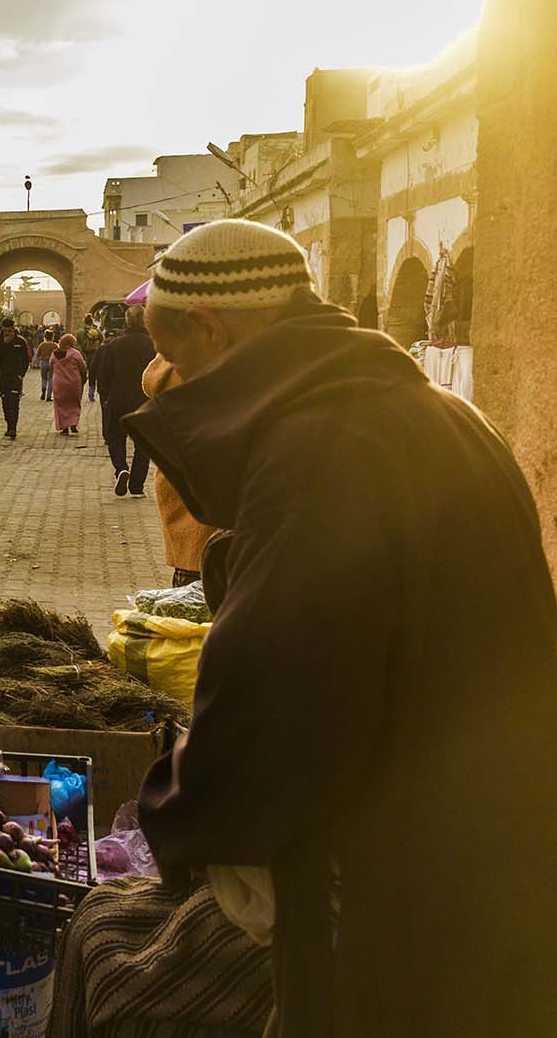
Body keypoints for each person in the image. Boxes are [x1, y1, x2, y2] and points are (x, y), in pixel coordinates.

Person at [119, 217, 557, 1035]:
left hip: (402, 874)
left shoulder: (321, 449)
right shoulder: (430, 411)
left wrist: (173, 812)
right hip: (493, 835)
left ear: (211, 330)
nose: (172, 381)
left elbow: (274, 698)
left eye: (177, 359)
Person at [141, 353, 217, 584]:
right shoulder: (219, 358)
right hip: (213, 477)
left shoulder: (169, 361)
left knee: (187, 578)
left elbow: (149, 381)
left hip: (177, 474)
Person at [90, 304, 157, 496]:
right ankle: (137, 487)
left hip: (119, 400)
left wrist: (106, 396)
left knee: (114, 437)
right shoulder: (154, 345)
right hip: (145, 401)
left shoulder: (114, 345)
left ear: (127, 321)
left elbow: (104, 375)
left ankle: (121, 468)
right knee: (143, 445)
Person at [0, 317, 31, 440]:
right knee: (5, 402)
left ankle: (13, 428)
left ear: (13, 329)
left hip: (15, 377)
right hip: (3, 377)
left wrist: (21, 374)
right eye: (5, 330)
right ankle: (8, 424)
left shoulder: (20, 341)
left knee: (14, 402)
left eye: (9, 330)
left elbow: (25, 359)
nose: (7, 332)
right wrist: (5, 344)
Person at [48, 332, 86, 435]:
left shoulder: (54, 354)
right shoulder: (75, 353)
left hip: (59, 383)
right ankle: (73, 424)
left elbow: (51, 366)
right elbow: (83, 367)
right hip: (73, 383)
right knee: (74, 403)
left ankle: (64, 427)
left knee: (60, 405)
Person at [80, 312, 104, 400]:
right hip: (95, 353)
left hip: (84, 353)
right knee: (94, 373)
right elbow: (102, 339)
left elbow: (78, 342)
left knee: (82, 373)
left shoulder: (81, 331)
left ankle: (80, 393)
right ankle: (91, 394)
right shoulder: (97, 331)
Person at [35, 328, 56, 400]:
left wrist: (41, 358)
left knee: (44, 378)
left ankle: (43, 388)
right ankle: (49, 396)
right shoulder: (55, 345)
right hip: (52, 363)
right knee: (51, 379)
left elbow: (37, 354)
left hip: (43, 362)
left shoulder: (42, 344)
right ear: (52, 336)